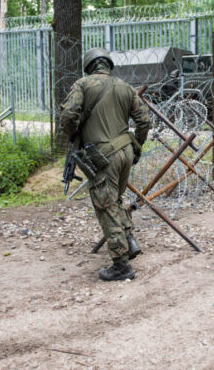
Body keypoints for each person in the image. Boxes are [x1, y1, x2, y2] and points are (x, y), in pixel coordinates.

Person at [60, 47, 151, 281]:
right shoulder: (125, 87)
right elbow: (144, 121)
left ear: (89, 66)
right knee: (115, 200)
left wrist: (73, 135)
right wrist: (136, 145)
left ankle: (121, 265)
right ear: (108, 65)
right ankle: (129, 240)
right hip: (126, 152)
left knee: (106, 206)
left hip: (102, 157)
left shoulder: (82, 85)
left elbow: (69, 115)